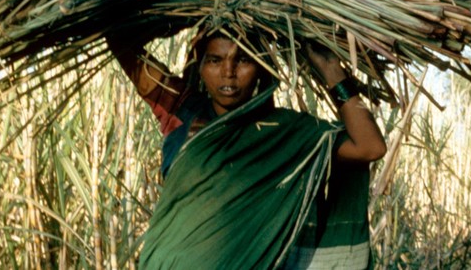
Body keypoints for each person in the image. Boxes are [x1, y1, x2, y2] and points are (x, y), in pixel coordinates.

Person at [107, 24, 386, 269]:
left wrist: (332, 72)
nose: (228, 73)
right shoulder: (182, 111)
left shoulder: (286, 133)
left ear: (262, 68)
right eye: (215, 60)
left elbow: (370, 147)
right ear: (200, 66)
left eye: (242, 60)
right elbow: (119, 39)